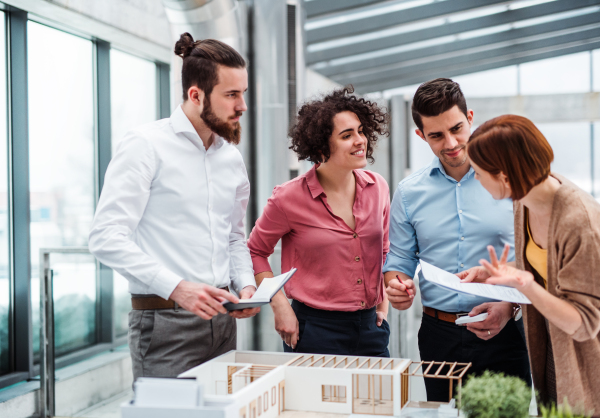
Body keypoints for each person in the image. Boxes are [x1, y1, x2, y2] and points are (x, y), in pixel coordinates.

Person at [88, 33, 260, 381]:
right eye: (231, 95)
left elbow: (233, 236)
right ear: (196, 95)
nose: (242, 106)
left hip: (224, 321)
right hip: (164, 325)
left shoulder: (231, 158)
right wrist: (178, 287)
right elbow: (105, 237)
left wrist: (246, 285)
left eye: (243, 93)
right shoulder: (145, 145)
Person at [383, 78, 531, 402]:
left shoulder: (510, 182)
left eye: (457, 129)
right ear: (421, 136)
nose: (451, 143)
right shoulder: (409, 193)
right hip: (439, 337)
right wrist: (397, 285)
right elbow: (399, 261)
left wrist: (509, 307)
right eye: (436, 135)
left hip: (506, 331)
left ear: (471, 118)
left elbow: (532, 256)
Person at [463, 114, 600, 413]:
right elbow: (548, 264)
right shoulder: (524, 199)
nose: (475, 179)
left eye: (478, 172)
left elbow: (585, 324)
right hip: (553, 347)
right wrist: (495, 273)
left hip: (587, 360)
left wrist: (523, 284)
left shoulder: (580, 222)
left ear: (504, 176)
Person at [247, 87, 391, 356]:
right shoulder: (288, 197)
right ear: (322, 145)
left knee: (376, 400)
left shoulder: (378, 187)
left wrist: (382, 303)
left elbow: (384, 249)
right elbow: (255, 251)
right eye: (347, 135)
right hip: (313, 330)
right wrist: (280, 305)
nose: (360, 140)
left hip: (371, 328)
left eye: (361, 131)